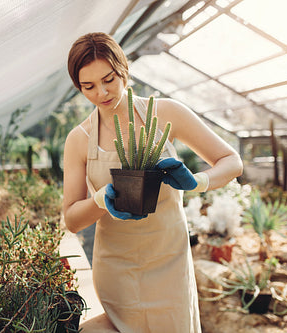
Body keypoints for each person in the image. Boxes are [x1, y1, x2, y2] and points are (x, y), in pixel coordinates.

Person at [62, 32, 243, 333]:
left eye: (109, 79)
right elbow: (71, 219)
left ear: (123, 69)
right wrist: (99, 200)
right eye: (88, 86)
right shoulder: (78, 140)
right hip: (116, 267)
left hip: (169, 260)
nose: (102, 93)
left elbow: (231, 161)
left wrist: (196, 182)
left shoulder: (166, 112)